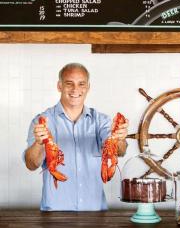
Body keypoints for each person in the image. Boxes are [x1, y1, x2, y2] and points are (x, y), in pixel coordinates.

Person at [24, 63, 129, 211]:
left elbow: (119, 151)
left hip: (95, 214)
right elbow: (31, 164)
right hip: (55, 214)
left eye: (81, 84)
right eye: (69, 83)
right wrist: (39, 143)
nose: (75, 90)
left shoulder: (102, 121)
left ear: (88, 87)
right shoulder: (42, 121)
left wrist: (119, 137)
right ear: (59, 86)